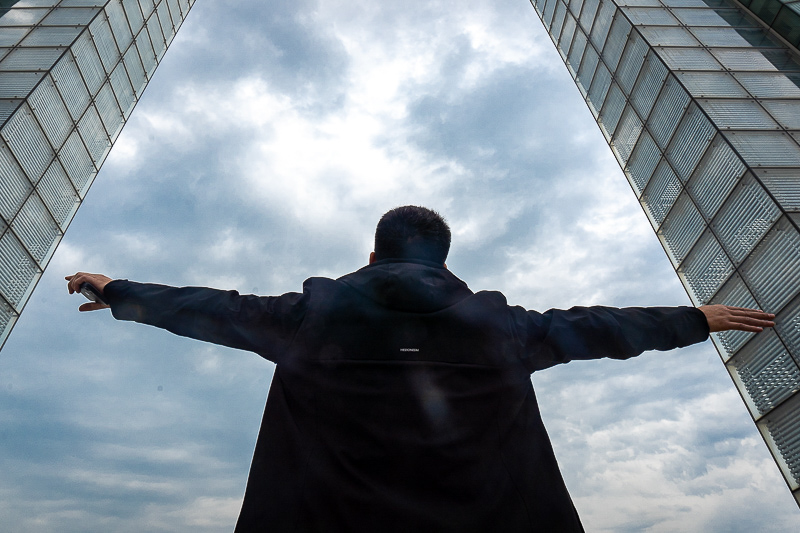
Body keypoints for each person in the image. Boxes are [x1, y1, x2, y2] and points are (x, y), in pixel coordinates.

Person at [66, 206, 774, 532]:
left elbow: (207, 307)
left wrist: (118, 290)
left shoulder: (306, 316)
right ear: (446, 260)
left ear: (371, 257)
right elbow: (601, 328)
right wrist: (693, 318)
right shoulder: (503, 328)